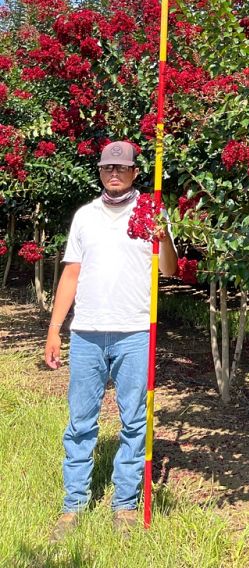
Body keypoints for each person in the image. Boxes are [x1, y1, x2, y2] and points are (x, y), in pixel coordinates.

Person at [44, 140, 178, 539]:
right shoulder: (85, 217)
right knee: (80, 422)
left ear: (136, 172)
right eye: (107, 168)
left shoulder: (152, 211)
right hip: (86, 333)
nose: (114, 173)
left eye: (121, 168)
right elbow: (71, 273)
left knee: (134, 421)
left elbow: (169, 270)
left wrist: (163, 237)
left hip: (135, 332)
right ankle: (73, 506)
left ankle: (124, 504)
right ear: (100, 171)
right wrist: (54, 328)